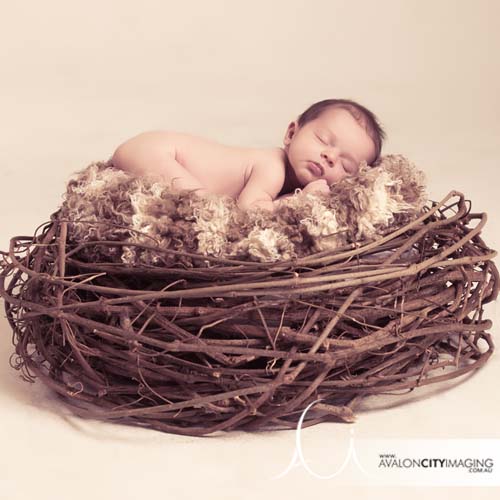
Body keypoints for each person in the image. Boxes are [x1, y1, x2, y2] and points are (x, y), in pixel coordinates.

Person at [110, 98, 386, 211]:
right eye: (323, 140)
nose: (329, 157)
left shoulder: (285, 179)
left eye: (346, 165)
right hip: (156, 152)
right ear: (291, 134)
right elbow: (249, 211)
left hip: (153, 152)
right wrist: (298, 201)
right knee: (206, 208)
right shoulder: (272, 165)